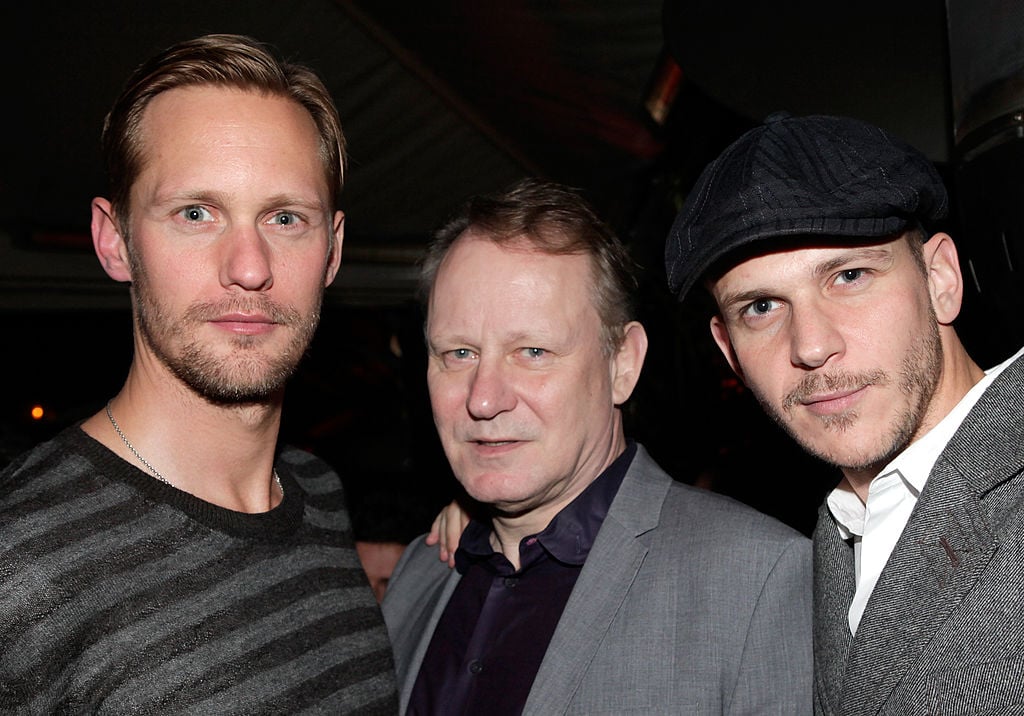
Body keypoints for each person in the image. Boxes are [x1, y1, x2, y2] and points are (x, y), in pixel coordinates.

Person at [0, 34, 398, 713]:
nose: (249, 267)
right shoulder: (20, 557)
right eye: (195, 213)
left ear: (332, 251)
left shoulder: (320, 496)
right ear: (114, 240)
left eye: (285, 217)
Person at [381, 178, 812, 715]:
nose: (484, 399)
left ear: (622, 364)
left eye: (532, 352)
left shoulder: (754, 579)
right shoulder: (421, 572)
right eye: (459, 353)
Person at [663, 111, 1024, 714]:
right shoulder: (836, 535)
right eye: (760, 307)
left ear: (939, 278)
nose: (810, 345)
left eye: (849, 276)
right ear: (729, 351)